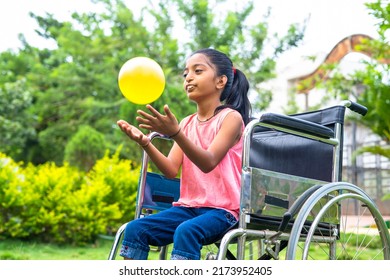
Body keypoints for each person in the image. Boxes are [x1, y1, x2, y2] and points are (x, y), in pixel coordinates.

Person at [117, 48, 251, 260]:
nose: (188, 77)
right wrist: (145, 143)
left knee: (187, 231)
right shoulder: (187, 123)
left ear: (221, 81)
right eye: (185, 73)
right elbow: (171, 169)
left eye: (198, 71)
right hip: (188, 207)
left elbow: (208, 162)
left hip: (223, 212)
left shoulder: (231, 118)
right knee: (135, 230)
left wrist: (176, 133)